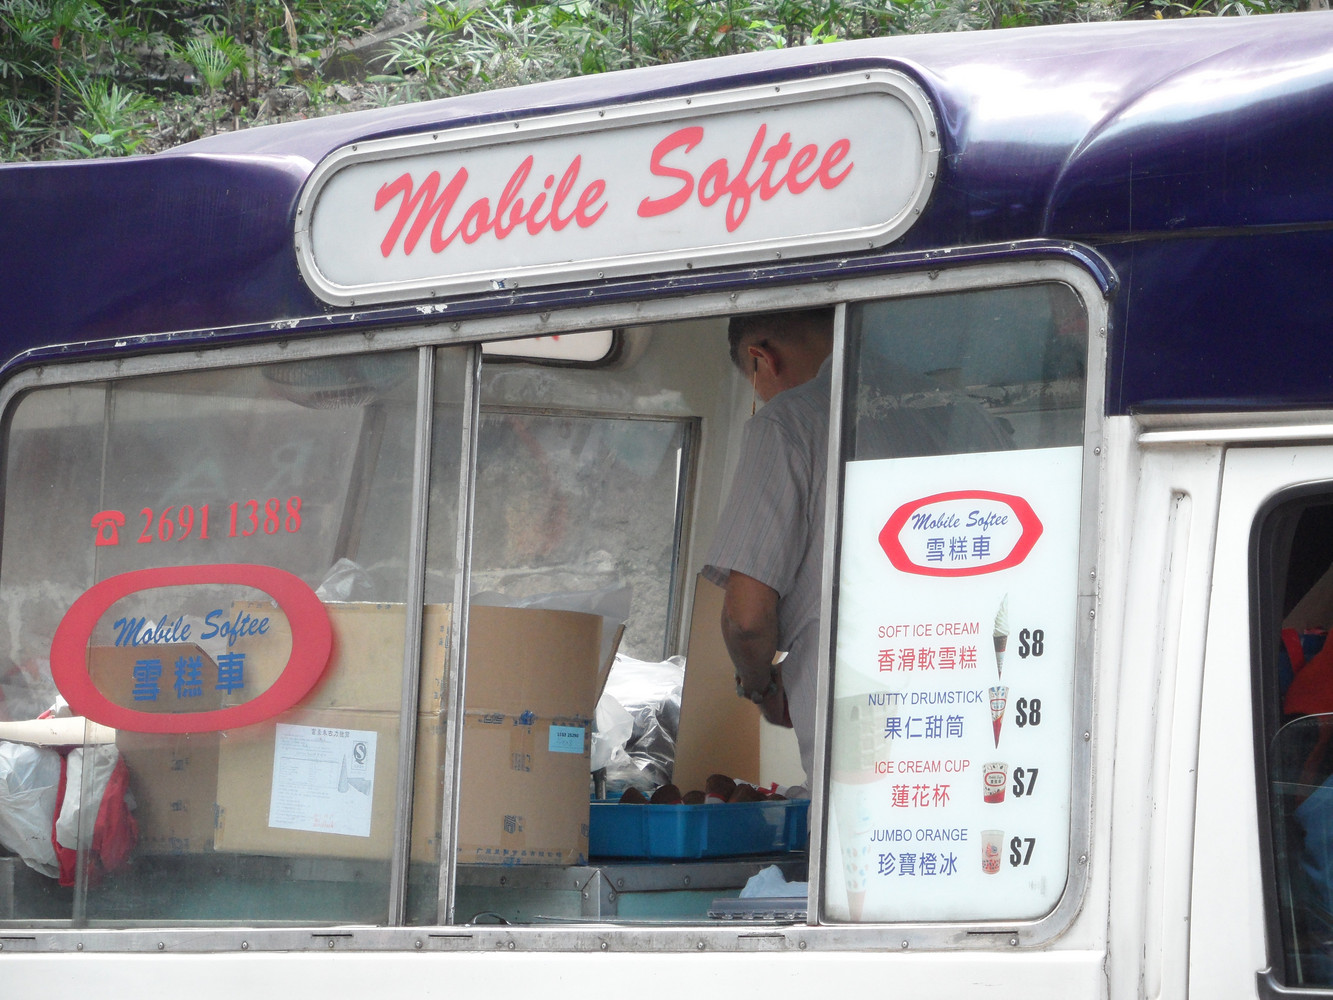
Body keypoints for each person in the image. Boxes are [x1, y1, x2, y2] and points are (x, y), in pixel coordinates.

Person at [702, 306, 834, 787]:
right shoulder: (963, 412)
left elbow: (747, 619)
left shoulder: (788, 422)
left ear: (763, 359)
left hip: (857, 740)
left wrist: (759, 685)